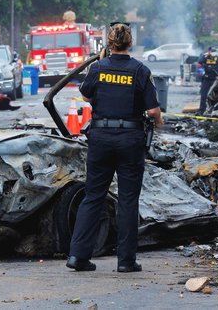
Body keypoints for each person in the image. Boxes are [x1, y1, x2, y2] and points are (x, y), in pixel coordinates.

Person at [66, 22, 163, 273]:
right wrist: (159, 122)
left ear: (109, 44)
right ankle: (126, 261)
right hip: (130, 139)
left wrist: (99, 63)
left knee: (93, 196)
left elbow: (86, 96)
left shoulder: (98, 68)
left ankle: (78, 256)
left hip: (100, 138)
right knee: (128, 200)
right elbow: (153, 110)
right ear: (130, 43)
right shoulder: (140, 70)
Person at [197, 46, 218, 115]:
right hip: (206, 79)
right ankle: (202, 110)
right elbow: (199, 64)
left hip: (215, 80)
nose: (211, 53)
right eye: (210, 51)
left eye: (213, 52)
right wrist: (201, 74)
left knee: (215, 95)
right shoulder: (205, 57)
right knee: (203, 95)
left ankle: (214, 110)